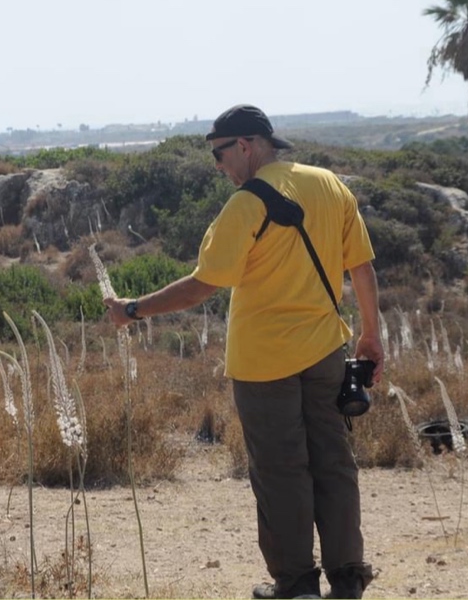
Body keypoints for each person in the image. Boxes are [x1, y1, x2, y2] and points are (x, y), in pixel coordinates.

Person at [103, 104, 384, 599]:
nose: (217, 166)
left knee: (281, 473)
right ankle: (348, 580)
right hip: (326, 352)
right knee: (335, 465)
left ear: (246, 145)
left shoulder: (246, 204)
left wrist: (132, 309)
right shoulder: (329, 184)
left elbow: (201, 286)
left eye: (219, 154)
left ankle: (296, 586)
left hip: (264, 364)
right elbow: (361, 266)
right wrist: (370, 336)